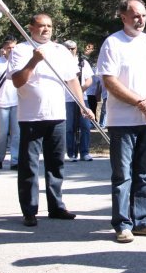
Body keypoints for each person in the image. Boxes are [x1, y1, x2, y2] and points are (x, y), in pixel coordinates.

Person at [9, 13, 95, 227]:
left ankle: (56, 206)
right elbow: (18, 81)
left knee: (56, 164)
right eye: (41, 26)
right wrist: (34, 60)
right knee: (29, 165)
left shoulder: (61, 51)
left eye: (49, 26)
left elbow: (72, 79)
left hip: (57, 115)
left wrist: (83, 105)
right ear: (31, 28)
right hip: (31, 117)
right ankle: (29, 210)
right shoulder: (20, 50)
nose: (45, 29)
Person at [96, 0, 146, 243]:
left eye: (144, 15)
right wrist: (139, 102)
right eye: (136, 15)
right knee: (122, 173)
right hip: (122, 121)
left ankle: (143, 221)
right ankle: (122, 224)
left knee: (145, 172)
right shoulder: (113, 43)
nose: (141, 20)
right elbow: (110, 81)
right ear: (123, 16)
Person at [0, 36, 20, 170]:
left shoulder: (20, 62)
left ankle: (15, 160)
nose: (11, 50)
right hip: (1, 102)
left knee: (16, 132)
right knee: (2, 132)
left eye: (13, 47)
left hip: (18, 102)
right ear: (4, 49)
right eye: (9, 48)